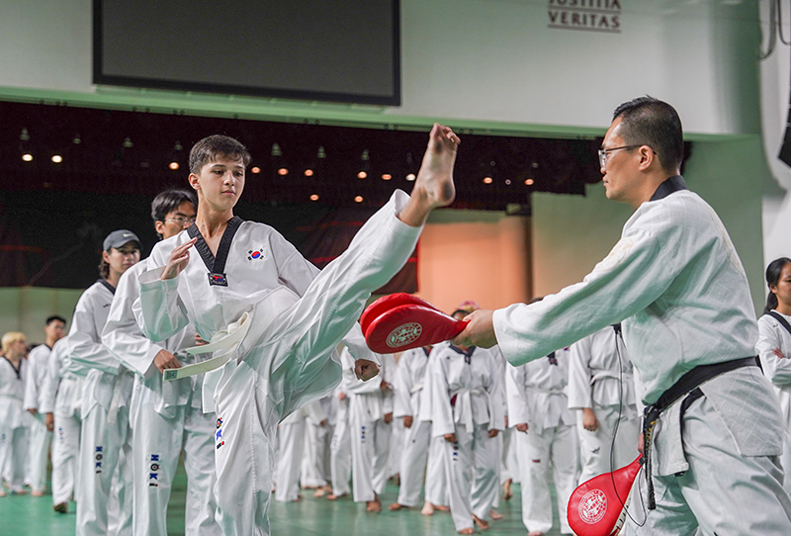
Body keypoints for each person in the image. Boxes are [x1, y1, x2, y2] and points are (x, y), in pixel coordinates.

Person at [454, 97, 791, 534]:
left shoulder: (673, 216)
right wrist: (652, 413)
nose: (601, 166)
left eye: (608, 153)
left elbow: (596, 296)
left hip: (717, 414)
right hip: (678, 416)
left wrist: (501, 324)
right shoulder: (667, 218)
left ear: (644, 156)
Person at [135, 124, 459, 536]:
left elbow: (314, 283)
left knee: (340, 281)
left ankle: (419, 201)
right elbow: (157, 327)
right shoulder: (167, 252)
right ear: (195, 180)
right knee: (235, 489)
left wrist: (358, 349)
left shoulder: (261, 236)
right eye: (220, 171)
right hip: (238, 370)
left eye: (239, 172)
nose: (231, 180)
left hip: (286, 330)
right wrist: (164, 281)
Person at [102, 189, 222, 536]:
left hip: (203, 389)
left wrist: (215, 338)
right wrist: (150, 352)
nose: (187, 225)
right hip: (158, 391)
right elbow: (116, 332)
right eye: (179, 219)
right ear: (160, 226)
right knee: (152, 481)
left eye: (191, 218)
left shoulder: (211, 270)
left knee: (208, 481)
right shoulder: (137, 274)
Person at [68, 230, 141, 536]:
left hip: (138, 392)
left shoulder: (141, 293)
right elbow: (77, 347)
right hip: (104, 394)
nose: (129, 257)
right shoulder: (93, 297)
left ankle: (124, 532)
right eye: (121, 251)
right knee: (97, 474)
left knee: (132, 476)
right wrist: (127, 358)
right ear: (106, 256)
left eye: (134, 251)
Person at [425, 309, 506, 534]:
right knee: (457, 472)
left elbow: (496, 387)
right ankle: (462, 520)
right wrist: (445, 427)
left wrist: (496, 420)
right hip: (456, 418)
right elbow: (438, 393)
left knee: (489, 468)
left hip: (482, 414)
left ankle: (478, 510)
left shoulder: (485, 353)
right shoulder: (442, 355)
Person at [506, 342, 578, 536]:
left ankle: (570, 522)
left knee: (569, 469)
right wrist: (519, 416)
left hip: (564, 409)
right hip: (534, 412)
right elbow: (514, 381)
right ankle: (537, 523)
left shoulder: (568, 341)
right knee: (534, 471)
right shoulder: (522, 345)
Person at [567, 324, 640, 484]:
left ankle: (627, 508)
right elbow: (578, 369)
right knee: (597, 463)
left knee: (630, 463)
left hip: (629, 400)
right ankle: (591, 508)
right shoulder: (587, 327)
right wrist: (586, 410)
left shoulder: (632, 325)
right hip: (597, 403)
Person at [757, 257, 791, 495]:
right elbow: (774, 369)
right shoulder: (767, 325)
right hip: (785, 421)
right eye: (789, 280)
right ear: (773, 287)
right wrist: (781, 364)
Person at [23, 315, 67, 496]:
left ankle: (63, 488)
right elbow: (30, 380)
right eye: (56, 327)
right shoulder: (37, 353)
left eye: (62, 328)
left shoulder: (65, 350)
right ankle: (37, 484)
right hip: (41, 405)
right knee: (39, 446)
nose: (59, 331)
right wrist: (30, 402)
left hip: (63, 403)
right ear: (47, 328)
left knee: (63, 447)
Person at [389, 345, 433, 511]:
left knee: (440, 454)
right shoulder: (411, 353)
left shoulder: (443, 349)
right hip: (417, 405)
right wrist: (406, 411)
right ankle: (406, 498)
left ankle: (438, 498)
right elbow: (402, 383)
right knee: (412, 453)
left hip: (440, 403)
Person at [39, 335, 79, 513]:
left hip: (95, 395)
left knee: (93, 450)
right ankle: (61, 497)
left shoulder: (104, 338)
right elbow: (51, 379)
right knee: (64, 449)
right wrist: (48, 411)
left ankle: (84, 494)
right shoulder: (62, 345)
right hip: (66, 399)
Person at [0, 331, 28, 496]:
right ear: (11, 345)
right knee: (2, 446)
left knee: (20, 447)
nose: (24, 345)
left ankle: (16, 483)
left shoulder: (26, 364)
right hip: (4, 405)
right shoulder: (1, 363)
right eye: (21, 342)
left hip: (21, 406)